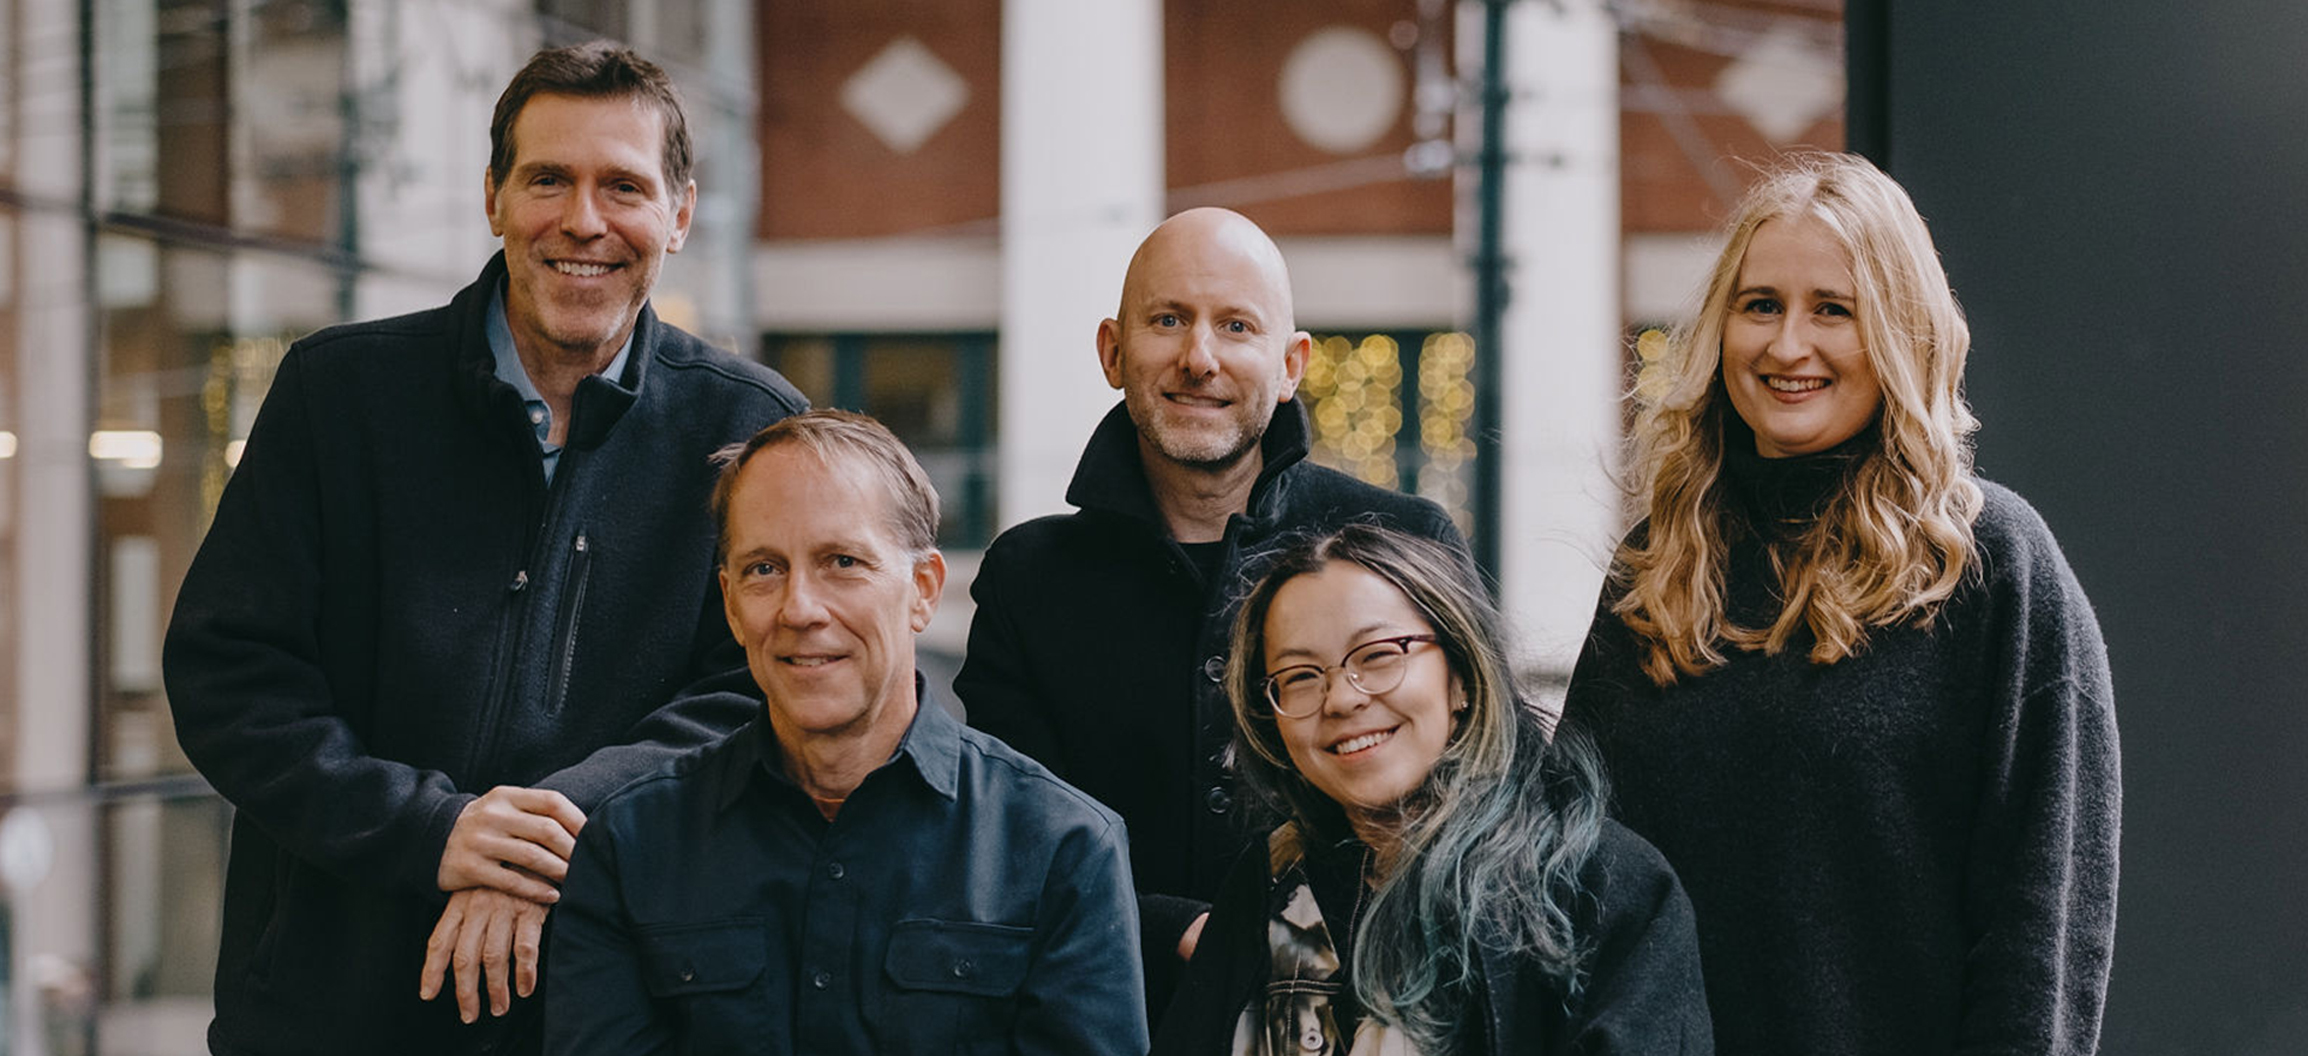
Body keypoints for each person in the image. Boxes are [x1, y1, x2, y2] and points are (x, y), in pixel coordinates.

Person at [161, 42, 806, 1056]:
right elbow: (230, 676)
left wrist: (545, 828)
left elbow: (761, 696)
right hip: (331, 1011)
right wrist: (434, 834)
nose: (584, 221)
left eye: (624, 187)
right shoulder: (340, 396)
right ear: (494, 198)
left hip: (615, 1011)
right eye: (548, 178)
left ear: (679, 215)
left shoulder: (752, 431)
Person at [1561, 152, 2119, 1056]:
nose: (1788, 346)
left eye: (1834, 309)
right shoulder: (1658, 568)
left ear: (1903, 333)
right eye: (1760, 306)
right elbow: (1580, 884)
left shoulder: (1990, 566)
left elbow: (2041, 929)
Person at [957, 207, 1466, 1000]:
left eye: (1236, 326)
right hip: (1106, 1018)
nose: (1200, 358)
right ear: (1113, 352)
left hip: (1378, 1006)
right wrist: (1178, 929)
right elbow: (1004, 838)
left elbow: (1485, 794)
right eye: (1168, 320)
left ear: (1292, 362)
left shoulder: (1405, 543)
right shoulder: (1030, 577)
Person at [543, 410, 1145, 1055]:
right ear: (730, 604)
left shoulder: (1064, 850)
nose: (800, 608)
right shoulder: (629, 846)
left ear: (922, 590)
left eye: (842, 561)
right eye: (764, 569)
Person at [1153, 524, 1712, 1055]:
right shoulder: (1266, 886)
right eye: (1300, 676)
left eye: (1377, 656)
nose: (1341, 700)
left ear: (1462, 678)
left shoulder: (1600, 885)